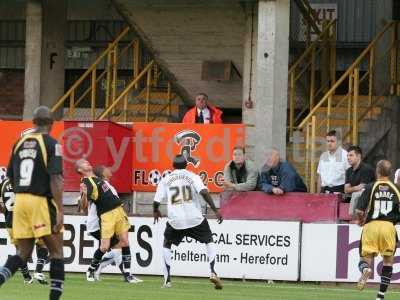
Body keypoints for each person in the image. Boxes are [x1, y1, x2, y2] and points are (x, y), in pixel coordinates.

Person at [0, 106, 64, 300]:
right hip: (40, 201)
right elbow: (56, 179)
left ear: (34, 122)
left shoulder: (19, 143)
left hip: (19, 202)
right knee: (56, 251)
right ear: (52, 124)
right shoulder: (52, 144)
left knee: (23, 252)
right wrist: (60, 209)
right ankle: (55, 296)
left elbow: (10, 175)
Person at [153, 154, 223, 289]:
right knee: (209, 240)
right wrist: (215, 210)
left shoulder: (166, 179)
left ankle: (167, 280)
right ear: (186, 165)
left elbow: (156, 200)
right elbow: (203, 192)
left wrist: (156, 211)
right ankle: (213, 271)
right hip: (195, 218)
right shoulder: (193, 176)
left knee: (167, 244)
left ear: (173, 166)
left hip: (175, 220)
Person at [75, 159, 142, 284]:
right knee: (105, 247)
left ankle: (128, 275)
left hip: (118, 210)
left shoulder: (97, 179)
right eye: (83, 163)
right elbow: (83, 206)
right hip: (106, 215)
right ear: (80, 170)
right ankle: (91, 269)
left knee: (124, 242)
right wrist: (84, 194)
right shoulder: (85, 182)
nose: (87, 163)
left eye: (87, 162)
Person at [354, 160, 400, 299]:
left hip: (372, 226)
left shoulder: (370, 187)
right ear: (390, 173)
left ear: (377, 171)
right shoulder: (396, 189)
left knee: (364, 259)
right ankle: (380, 296)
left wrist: (360, 220)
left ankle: (366, 270)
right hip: (388, 228)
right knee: (388, 262)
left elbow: (359, 210)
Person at [0, 171, 49, 285]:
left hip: (10, 222)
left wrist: (7, 212)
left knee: (20, 251)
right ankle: (38, 271)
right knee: (42, 243)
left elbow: (1, 207)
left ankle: (27, 278)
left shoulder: (3, 184)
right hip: (26, 220)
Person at [344, 146, 375, 215]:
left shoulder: (366, 169)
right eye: (347, 156)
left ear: (358, 156)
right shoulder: (348, 171)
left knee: (356, 194)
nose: (348, 158)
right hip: (354, 202)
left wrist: (351, 189)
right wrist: (356, 188)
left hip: (366, 205)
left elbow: (363, 189)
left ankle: (352, 215)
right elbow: (346, 190)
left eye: (351, 155)